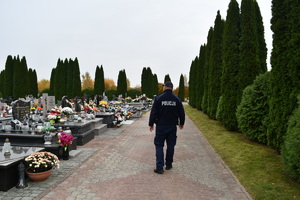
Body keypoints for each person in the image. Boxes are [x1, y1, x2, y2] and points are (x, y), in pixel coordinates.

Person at [148, 81, 185, 174]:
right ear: (172, 88)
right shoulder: (177, 99)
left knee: (159, 145)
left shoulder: (159, 98)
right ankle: (168, 164)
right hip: (172, 126)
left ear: (164, 87)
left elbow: (153, 112)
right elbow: (181, 113)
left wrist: (151, 124)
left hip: (161, 126)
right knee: (171, 145)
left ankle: (159, 167)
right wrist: (182, 123)